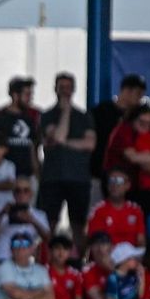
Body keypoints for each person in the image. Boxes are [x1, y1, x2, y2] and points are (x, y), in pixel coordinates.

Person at [38, 72, 95, 236]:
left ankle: (78, 259)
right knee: (49, 222)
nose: (65, 91)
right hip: (53, 177)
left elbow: (89, 144)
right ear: (55, 89)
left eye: (68, 88)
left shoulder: (84, 116)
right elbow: (57, 135)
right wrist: (66, 112)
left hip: (78, 177)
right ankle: (46, 256)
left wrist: (64, 143)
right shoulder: (47, 115)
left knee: (78, 223)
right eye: (62, 87)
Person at [0, 77, 41, 181]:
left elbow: (34, 148)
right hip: (5, 177)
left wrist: (37, 174)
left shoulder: (31, 118)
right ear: (15, 95)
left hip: (27, 177)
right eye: (27, 95)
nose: (30, 98)